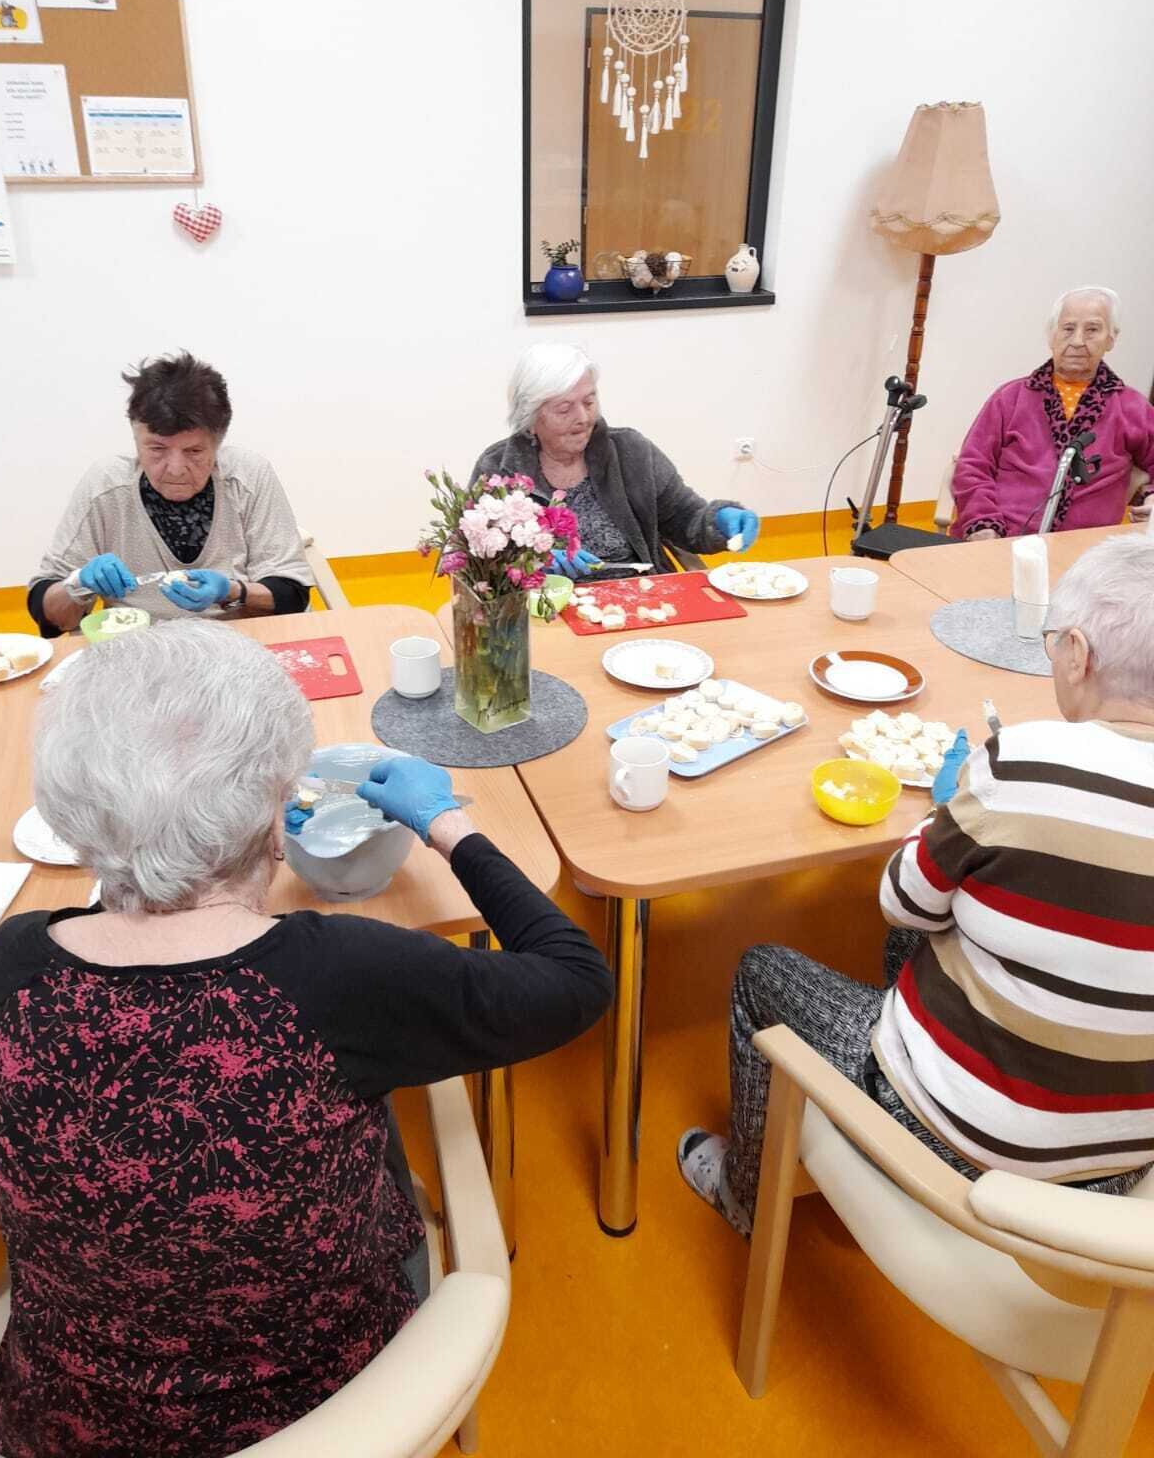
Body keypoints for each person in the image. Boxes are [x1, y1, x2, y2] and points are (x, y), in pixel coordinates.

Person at [0, 621, 612, 1458]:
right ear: (275, 822)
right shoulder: (338, 975)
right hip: (326, 1411)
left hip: (61, 1428)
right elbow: (576, 979)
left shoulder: (15, 961)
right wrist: (446, 825)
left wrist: (139, 850)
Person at [678, 532, 1154, 1236]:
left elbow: (901, 900)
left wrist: (952, 806)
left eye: (1053, 643)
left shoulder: (1027, 759)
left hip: (981, 1153)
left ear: (1079, 654)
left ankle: (743, 1192)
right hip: (1121, 1170)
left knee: (760, 972)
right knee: (936, 945)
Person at [28, 351, 313, 637]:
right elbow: (49, 616)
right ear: (136, 438)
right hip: (137, 645)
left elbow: (292, 595)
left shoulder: (247, 477)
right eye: (157, 449)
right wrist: (78, 583)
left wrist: (232, 591)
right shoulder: (106, 487)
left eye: (194, 451)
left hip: (239, 640)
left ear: (218, 444)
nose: (175, 469)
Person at [470, 344, 759, 578]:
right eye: (564, 409)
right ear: (530, 418)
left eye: (589, 401)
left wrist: (719, 520)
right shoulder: (498, 470)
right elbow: (475, 557)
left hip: (639, 597)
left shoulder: (631, 452)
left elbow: (685, 518)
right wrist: (528, 561)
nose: (583, 418)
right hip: (543, 610)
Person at [952, 287, 1154, 539]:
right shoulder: (1010, 397)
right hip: (1002, 536)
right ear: (1052, 336)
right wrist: (983, 523)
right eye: (1068, 328)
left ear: (1111, 339)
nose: (1077, 341)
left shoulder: (1131, 407)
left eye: (1092, 329)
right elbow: (972, 466)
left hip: (1085, 547)